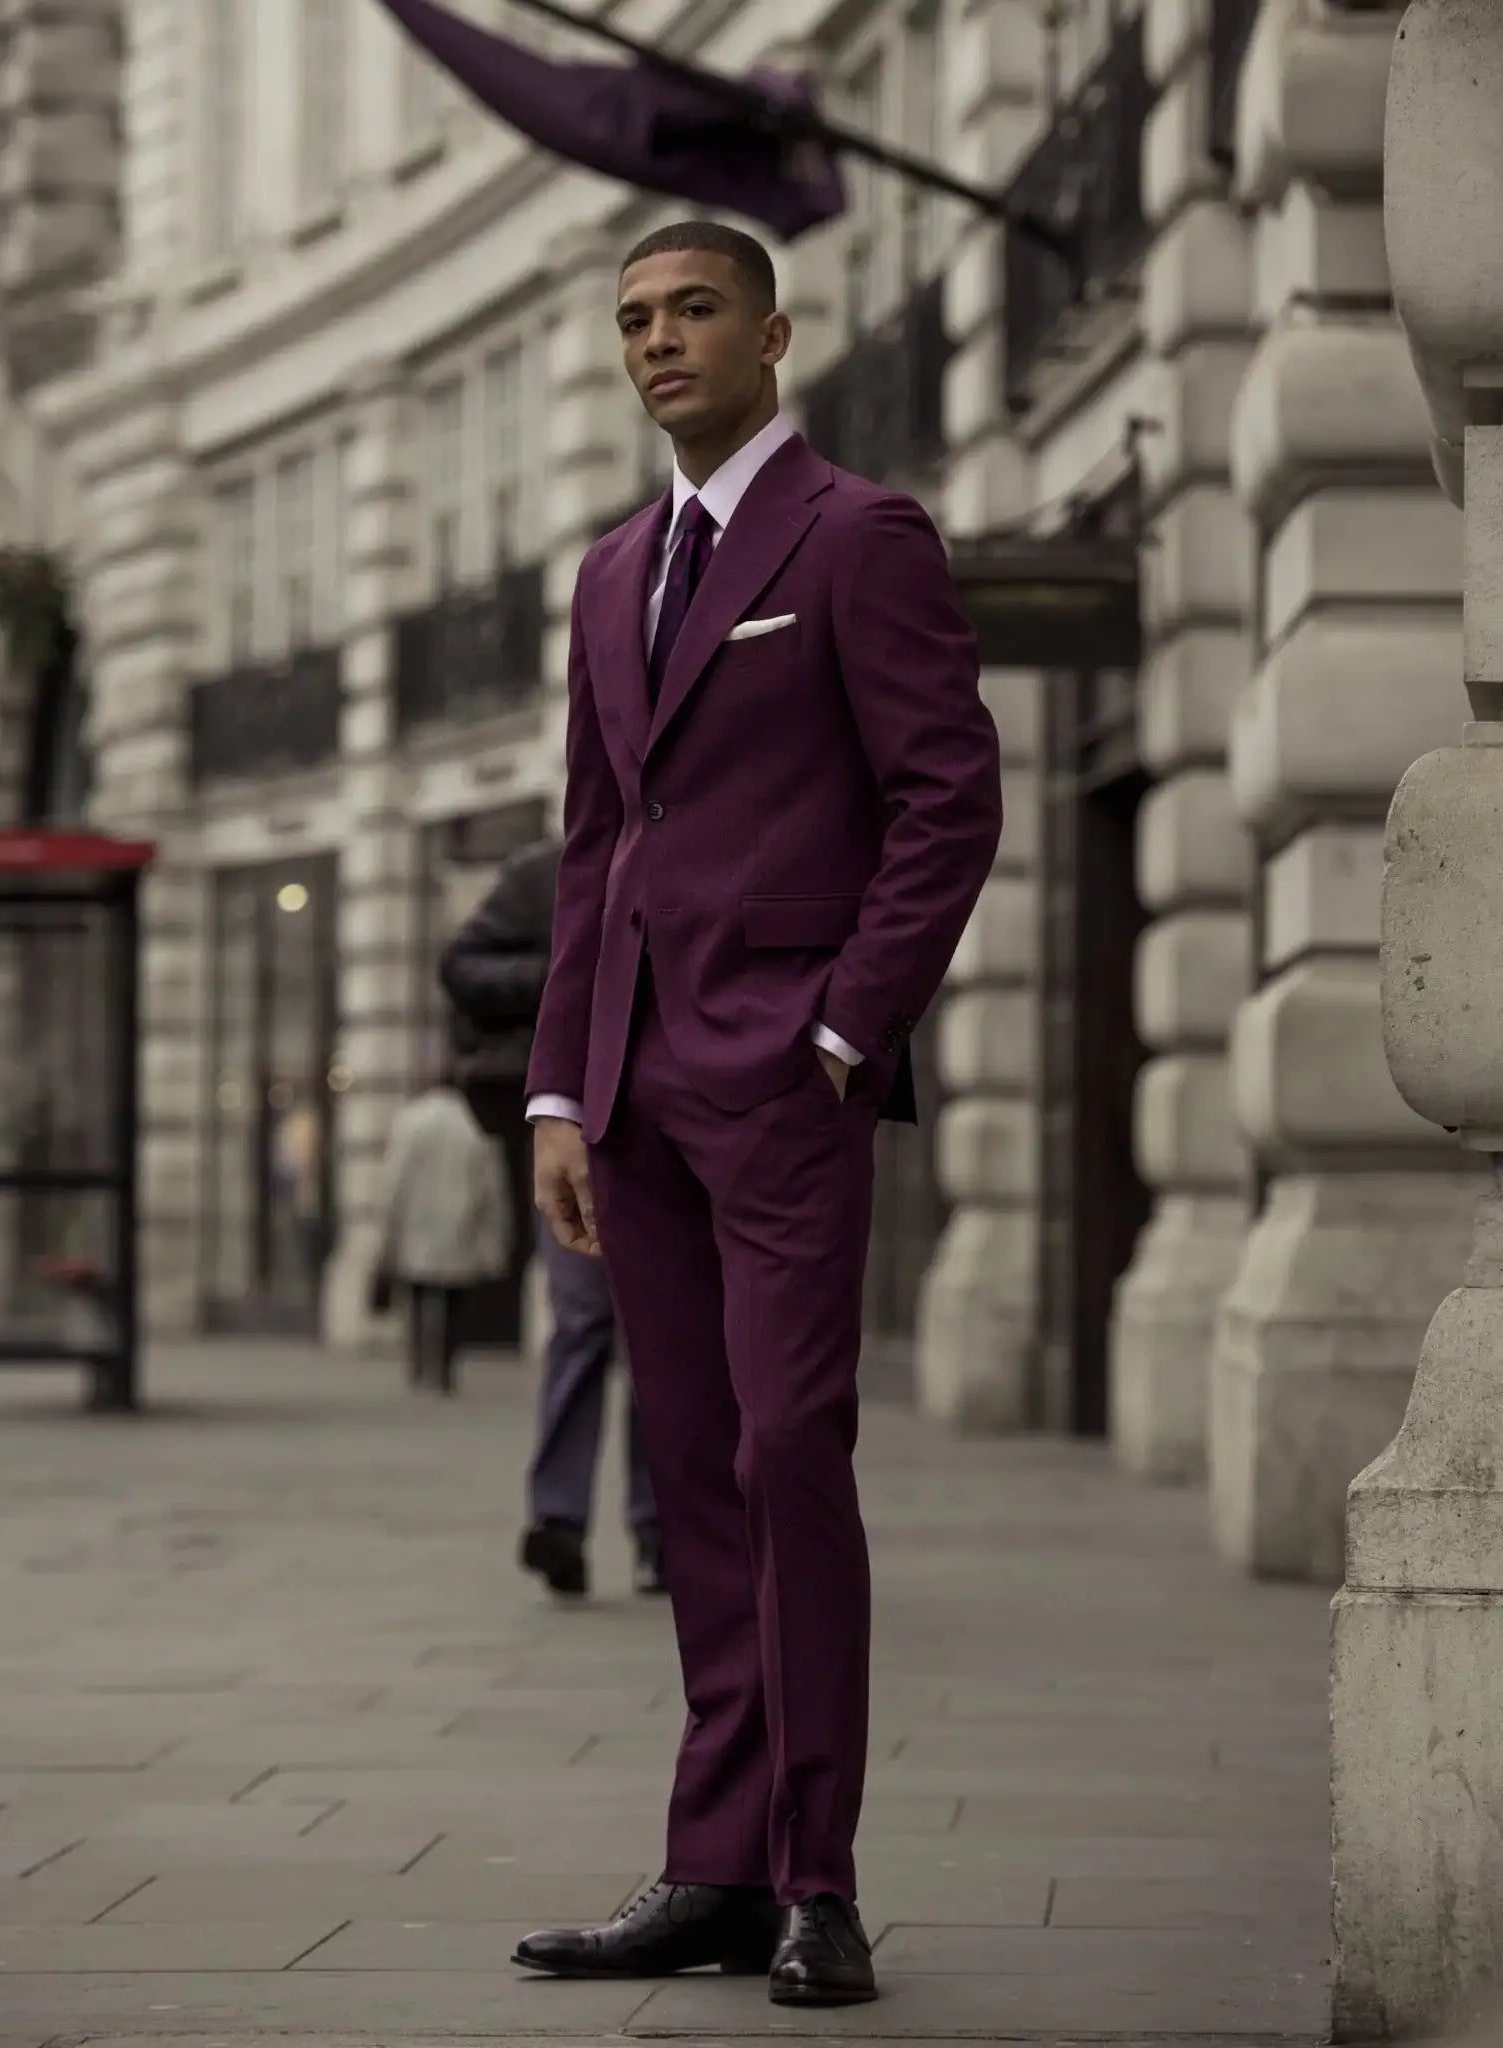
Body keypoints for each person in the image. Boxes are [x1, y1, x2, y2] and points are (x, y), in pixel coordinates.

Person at [514, 222, 1002, 2008]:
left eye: (693, 309)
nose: (658, 340)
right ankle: (713, 1861)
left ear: (775, 333)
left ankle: (818, 1877)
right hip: (635, 1094)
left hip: (784, 1080)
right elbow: (596, 849)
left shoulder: (857, 535)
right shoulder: (608, 570)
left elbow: (948, 800)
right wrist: (562, 1084)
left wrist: (844, 1032)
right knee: (695, 1476)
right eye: (634, 318)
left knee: (793, 1457)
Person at [440, 839, 665, 1598]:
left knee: (662, 1340)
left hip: (679, 1133)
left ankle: (660, 1533)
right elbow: (462, 966)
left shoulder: (703, 853)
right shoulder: (546, 873)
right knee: (579, 1323)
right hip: (580, 1139)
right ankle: (559, 1521)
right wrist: (572, 977)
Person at [378, 1066, 511, 1393]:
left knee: (417, 1294)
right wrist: (494, 1235)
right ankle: (445, 1368)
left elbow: (394, 1180)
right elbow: (491, 1189)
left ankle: (418, 1362)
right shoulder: (472, 1127)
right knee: (453, 1301)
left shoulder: (410, 1121)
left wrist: (388, 1224)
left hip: (417, 1225)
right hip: (458, 1228)